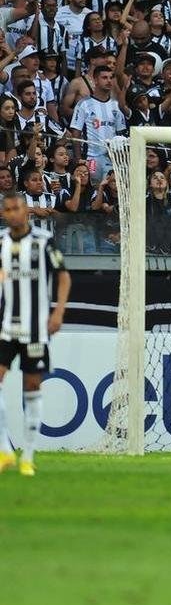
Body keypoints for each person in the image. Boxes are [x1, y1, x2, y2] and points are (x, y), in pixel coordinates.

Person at [0, 192, 71, 477]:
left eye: (17, 208)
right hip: (5, 327)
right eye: (8, 209)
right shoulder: (1, 243)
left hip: (35, 330)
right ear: (4, 214)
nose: (13, 213)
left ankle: (27, 456)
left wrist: (58, 312)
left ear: (25, 211)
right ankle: (5, 450)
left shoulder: (43, 242)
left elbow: (63, 276)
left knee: (32, 387)